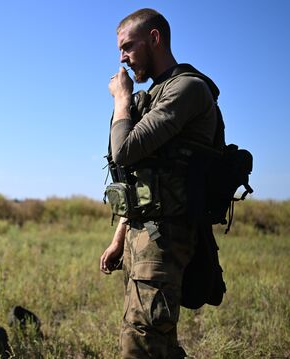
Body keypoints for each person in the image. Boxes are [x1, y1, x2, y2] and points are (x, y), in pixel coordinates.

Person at [99, 8, 220, 358]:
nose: (122, 57)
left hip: (165, 238)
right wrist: (119, 238)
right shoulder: (153, 95)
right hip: (143, 236)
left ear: (154, 39)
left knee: (140, 341)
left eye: (127, 47)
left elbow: (124, 150)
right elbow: (138, 177)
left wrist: (122, 98)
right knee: (158, 343)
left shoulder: (187, 89)